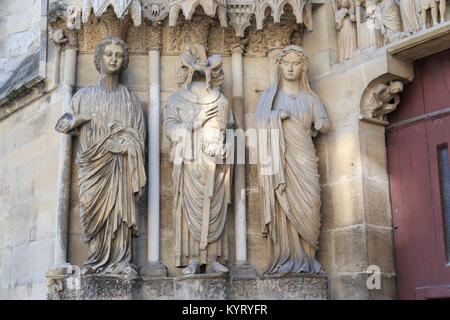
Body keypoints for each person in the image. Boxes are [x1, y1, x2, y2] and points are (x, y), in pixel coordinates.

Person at [55, 37, 146, 276]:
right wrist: (82, 117)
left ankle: (121, 261)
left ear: (124, 61)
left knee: (119, 216)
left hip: (120, 170)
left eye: (118, 55)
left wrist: (124, 144)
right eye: (108, 54)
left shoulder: (131, 100)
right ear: (99, 59)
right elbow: (61, 125)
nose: (113, 59)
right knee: (92, 216)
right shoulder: (83, 96)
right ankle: (96, 262)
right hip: (92, 170)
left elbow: (140, 139)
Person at [254, 45, 330, 275]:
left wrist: (322, 124)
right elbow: (258, 124)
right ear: (279, 66)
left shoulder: (311, 98)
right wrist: (275, 117)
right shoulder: (270, 97)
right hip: (281, 163)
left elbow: (324, 124)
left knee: (310, 204)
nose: (290, 67)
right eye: (286, 63)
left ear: (303, 67)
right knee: (283, 204)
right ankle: (286, 257)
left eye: (296, 63)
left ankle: (306, 258)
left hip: (305, 160)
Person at [165, 45, 233, 275]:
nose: (200, 72)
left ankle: (213, 257)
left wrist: (222, 146)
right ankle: (192, 258)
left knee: (214, 204)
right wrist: (196, 123)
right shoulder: (176, 100)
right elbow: (170, 130)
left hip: (213, 161)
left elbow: (227, 129)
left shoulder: (219, 100)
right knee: (188, 208)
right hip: (188, 163)